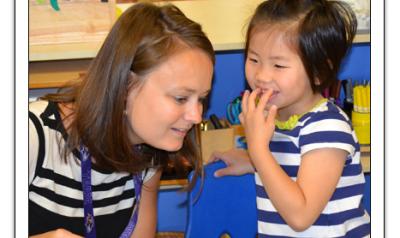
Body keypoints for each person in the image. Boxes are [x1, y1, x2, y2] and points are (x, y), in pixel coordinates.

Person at [29, 2, 214, 237]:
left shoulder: (150, 152)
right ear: (125, 86)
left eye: (201, 99)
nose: (196, 116)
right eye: (180, 98)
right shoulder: (32, 135)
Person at [210, 0, 370, 237]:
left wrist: (258, 150)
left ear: (318, 72)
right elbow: (290, 170)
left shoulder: (328, 127)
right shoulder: (275, 117)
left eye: (278, 65)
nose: (262, 76)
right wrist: (252, 161)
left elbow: (300, 215)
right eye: (254, 60)